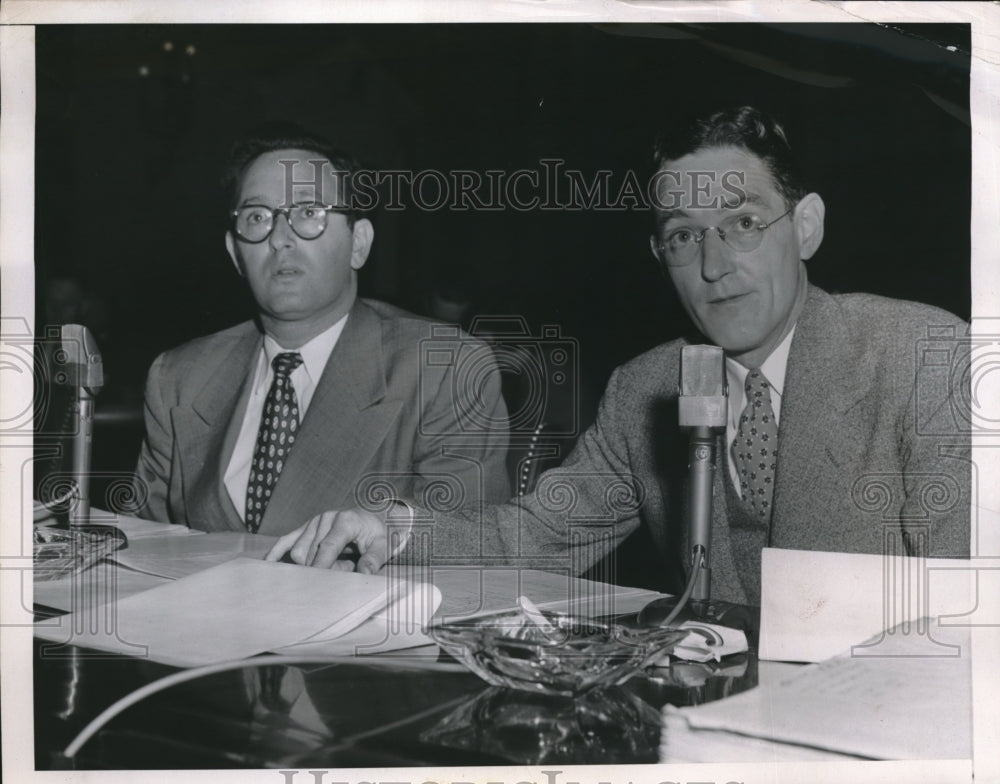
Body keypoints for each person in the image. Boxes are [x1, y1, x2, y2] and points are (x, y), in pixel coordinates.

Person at [266, 107, 970, 606]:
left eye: (744, 224)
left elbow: (974, 617)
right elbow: (536, 536)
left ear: (807, 226)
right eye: (684, 236)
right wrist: (393, 526)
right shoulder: (646, 388)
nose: (715, 265)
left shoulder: (923, 360)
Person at [134, 124, 511, 542]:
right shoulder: (180, 378)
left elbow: (470, 547)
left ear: (359, 244)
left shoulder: (443, 368)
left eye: (309, 213)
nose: (280, 239)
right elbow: (142, 547)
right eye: (257, 217)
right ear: (234, 253)